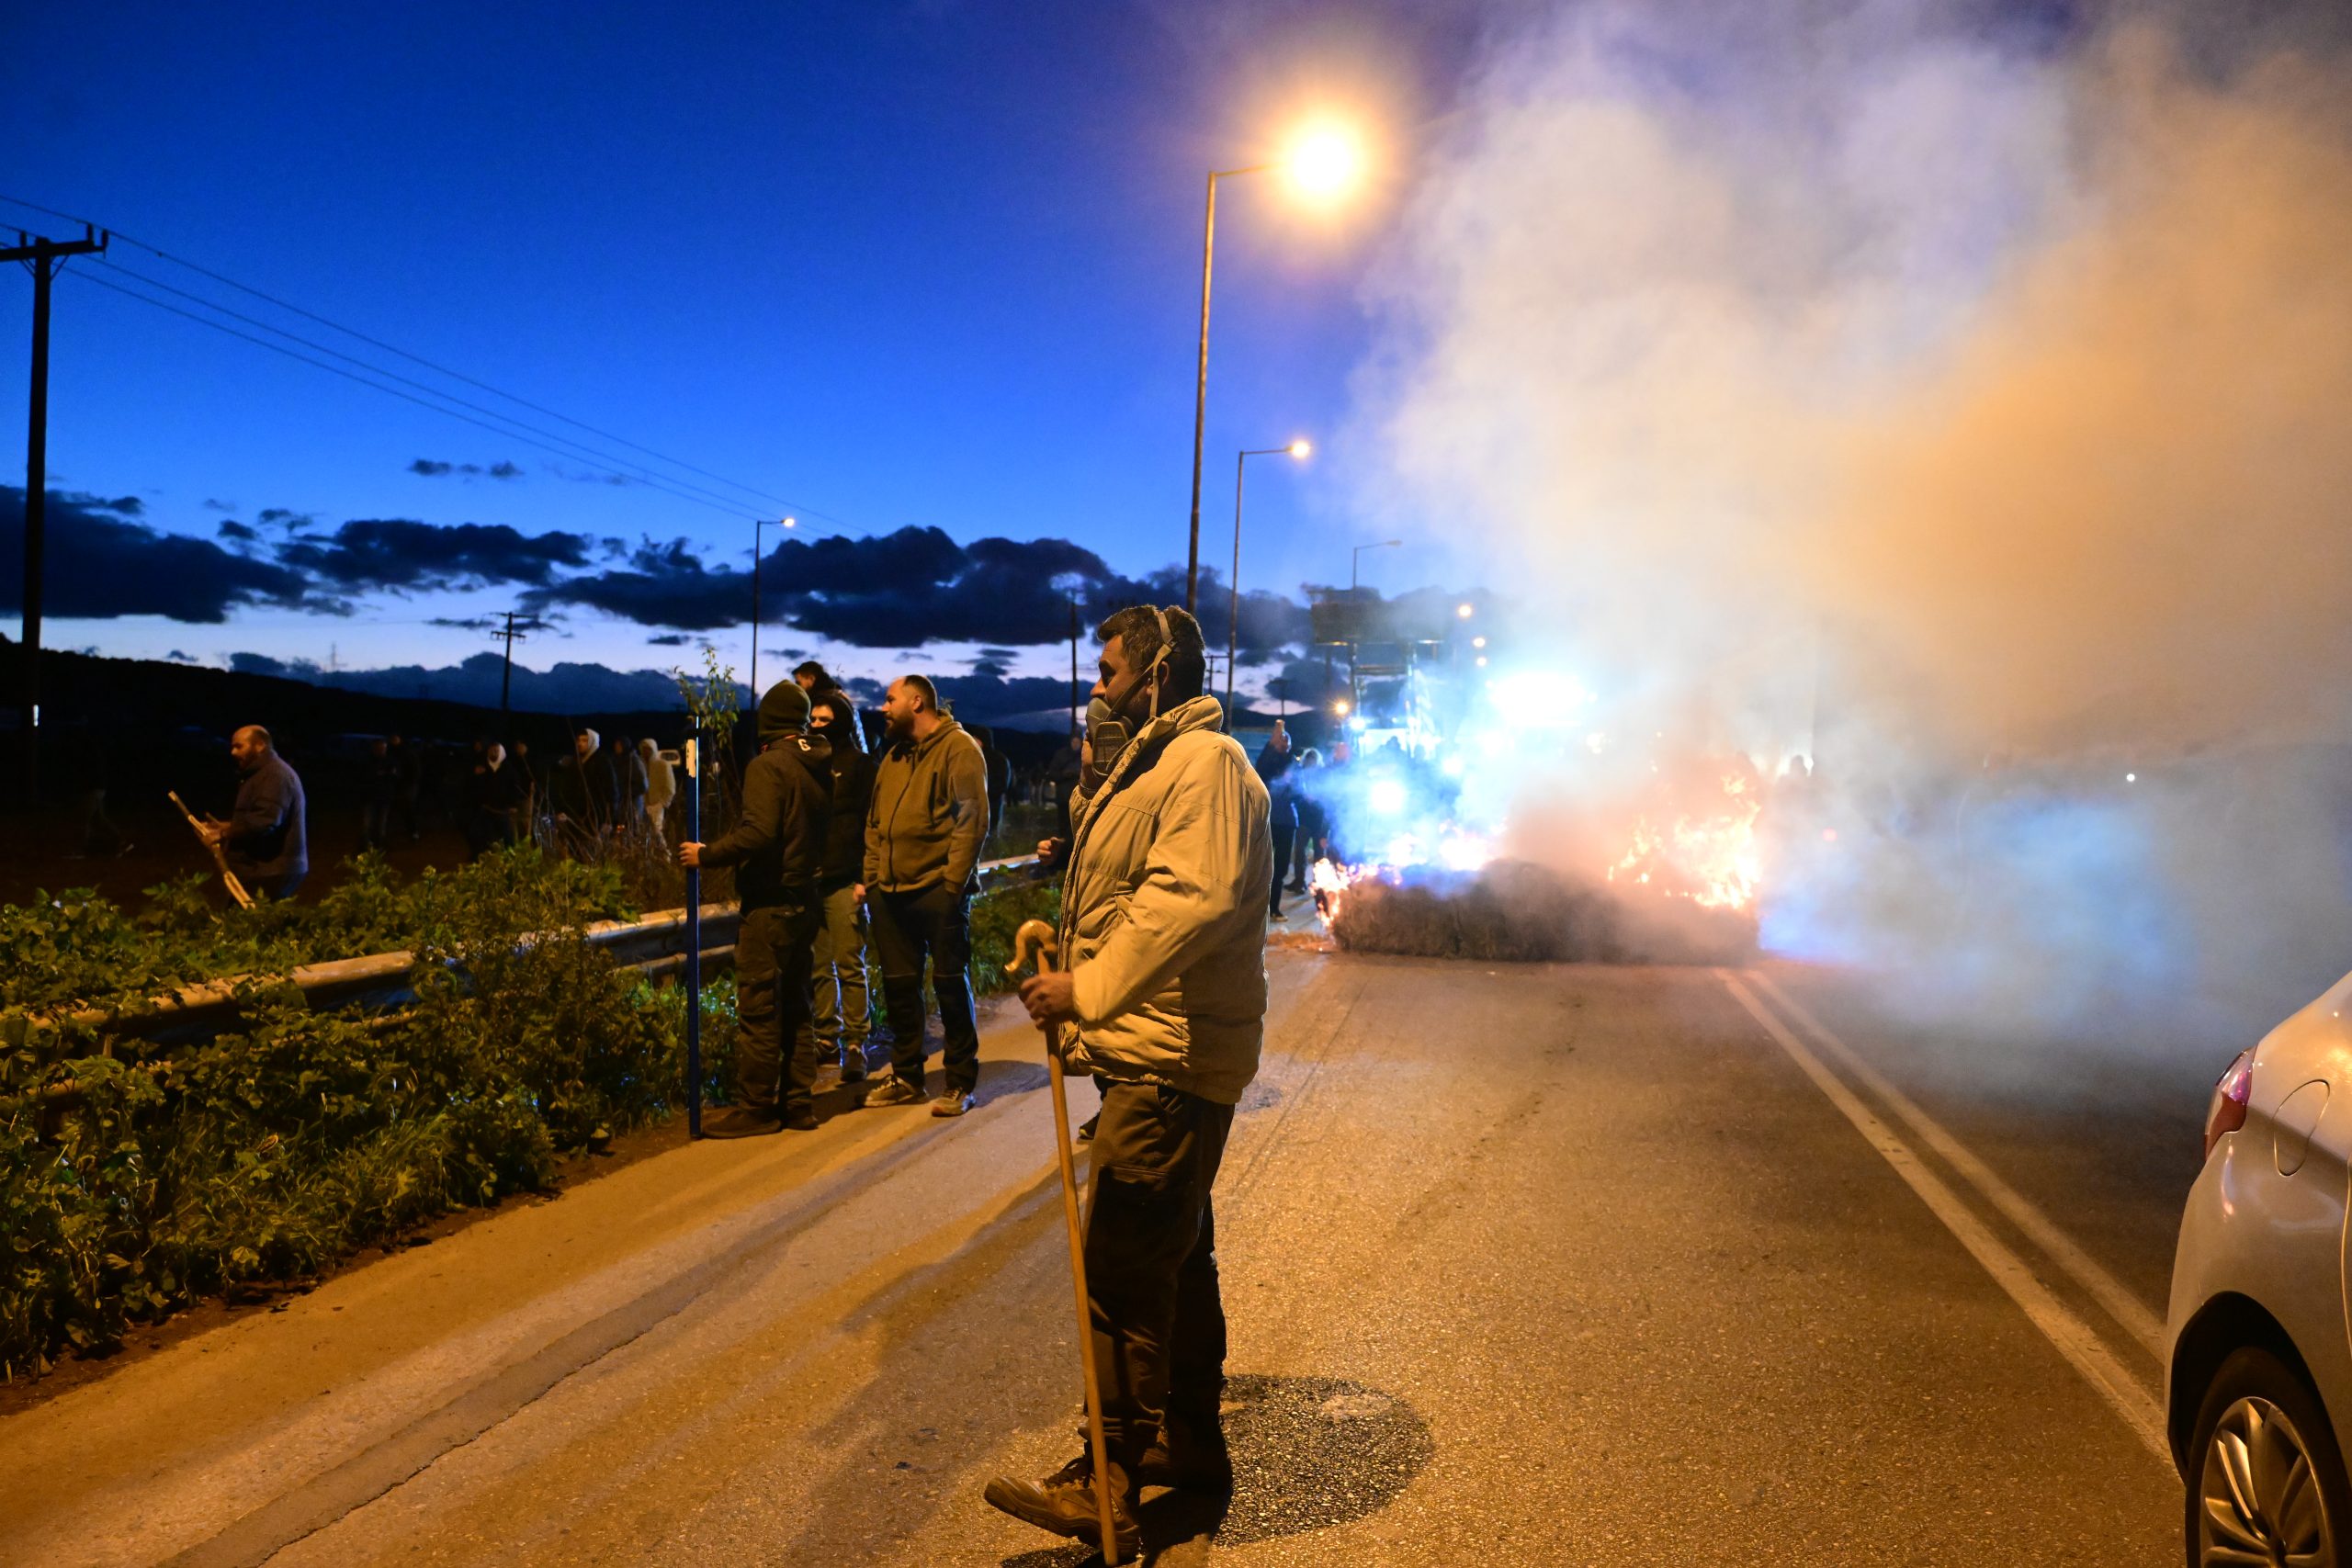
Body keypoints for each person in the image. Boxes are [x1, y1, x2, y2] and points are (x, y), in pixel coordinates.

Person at [983, 605, 1272, 1558]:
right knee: (1175, 1256)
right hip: (1147, 1048)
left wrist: (1090, 989)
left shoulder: (1208, 768)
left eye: (1110, 671)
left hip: (1173, 1059)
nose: (1097, 685)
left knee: (1118, 1267)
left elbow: (1189, 899)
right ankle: (1189, 1446)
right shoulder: (1153, 768)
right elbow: (1116, 899)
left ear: (1154, 677)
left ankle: (1108, 1479)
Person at [679, 682, 833, 1136]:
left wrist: (705, 854)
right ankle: (799, 1103)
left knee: (760, 1007)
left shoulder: (769, 766)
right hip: (806, 900)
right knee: (798, 1004)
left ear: (769, 721)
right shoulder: (820, 761)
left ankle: (758, 1108)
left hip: (769, 903)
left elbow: (759, 833)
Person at [857, 673, 989, 1117]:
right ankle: (908, 1077)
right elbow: (874, 824)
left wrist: (952, 884)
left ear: (917, 702)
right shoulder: (893, 756)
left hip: (938, 890)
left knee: (950, 985)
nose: (883, 707)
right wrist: (874, 880)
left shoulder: (960, 749)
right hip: (890, 893)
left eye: (889, 699)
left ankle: (959, 1082)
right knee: (899, 989)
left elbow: (972, 819)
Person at [803, 690, 877, 1083]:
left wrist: (865, 878)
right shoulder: (809, 762)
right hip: (811, 881)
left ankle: (855, 1043)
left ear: (842, 721)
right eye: (812, 719)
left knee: (849, 964)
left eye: (824, 719)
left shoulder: (861, 766)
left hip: (846, 880)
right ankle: (825, 1039)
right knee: (819, 966)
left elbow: (872, 822)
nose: (816, 725)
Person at [201, 725, 310, 901]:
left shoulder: (275, 775)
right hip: (265, 868)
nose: (233, 753)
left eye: (239, 746)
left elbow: (265, 821)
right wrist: (227, 826)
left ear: (260, 745)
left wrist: (222, 834)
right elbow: (263, 815)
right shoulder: (262, 773)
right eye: (232, 747)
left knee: (245, 922)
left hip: (272, 870)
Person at [1254, 720, 1296, 921]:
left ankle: (1274, 909)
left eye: (1286, 740)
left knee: (1280, 868)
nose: (1283, 742)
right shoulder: (1267, 763)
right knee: (1260, 866)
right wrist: (1278, 731)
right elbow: (1263, 762)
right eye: (1280, 739)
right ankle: (1257, 911)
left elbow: (1300, 791)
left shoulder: (1292, 765)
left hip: (1287, 821)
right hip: (1269, 820)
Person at [550, 727, 618, 853]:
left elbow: (611, 792)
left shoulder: (602, 762)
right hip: (575, 815)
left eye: (585, 740)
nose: (580, 743)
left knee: (593, 851)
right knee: (575, 850)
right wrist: (561, 809)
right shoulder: (576, 762)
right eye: (579, 740)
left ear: (592, 741)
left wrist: (608, 820)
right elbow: (567, 788)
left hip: (596, 815)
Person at [465, 742, 524, 859]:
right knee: (476, 833)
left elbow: (515, 787)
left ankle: (511, 859)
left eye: (496, 750)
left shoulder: (508, 769)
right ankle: (478, 858)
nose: (493, 753)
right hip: (486, 807)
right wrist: (475, 775)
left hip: (502, 809)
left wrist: (513, 804)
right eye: (491, 750)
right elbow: (473, 786)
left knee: (507, 837)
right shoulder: (483, 767)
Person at [1287, 746, 1324, 892]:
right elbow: (1296, 792)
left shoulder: (1322, 775)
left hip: (1318, 818)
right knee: (1300, 851)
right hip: (1304, 817)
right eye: (1309, 760)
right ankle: (1299, 881)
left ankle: (1320, 882)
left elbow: (1327, 793)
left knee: (1318, 852)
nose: (1311, 763)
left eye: (1313, 761)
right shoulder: (1300, 774)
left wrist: (1316, 798)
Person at [641, 738, 677, 843]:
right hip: (644, 805)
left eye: (648, 749)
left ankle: (665, 855)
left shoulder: (663, 765)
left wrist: (662, 803)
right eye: (644, 749)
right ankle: (651, 856)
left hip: (657, 804)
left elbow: (670, 786)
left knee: (657, 832)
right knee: (645, 833)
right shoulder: (642, 765)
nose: (646, 752)